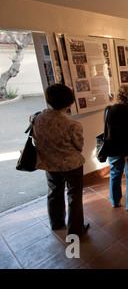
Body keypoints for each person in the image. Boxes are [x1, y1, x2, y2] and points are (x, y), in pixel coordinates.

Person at [32, 84, 88, 236]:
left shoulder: (37, 119)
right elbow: (79, 146)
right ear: (69, 101)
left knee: (54, 192)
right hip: (71, 165)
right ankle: (76, 230)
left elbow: (37, 140)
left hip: (49, 163)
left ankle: (56, 223)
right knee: (74, 196)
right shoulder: (72, 124)